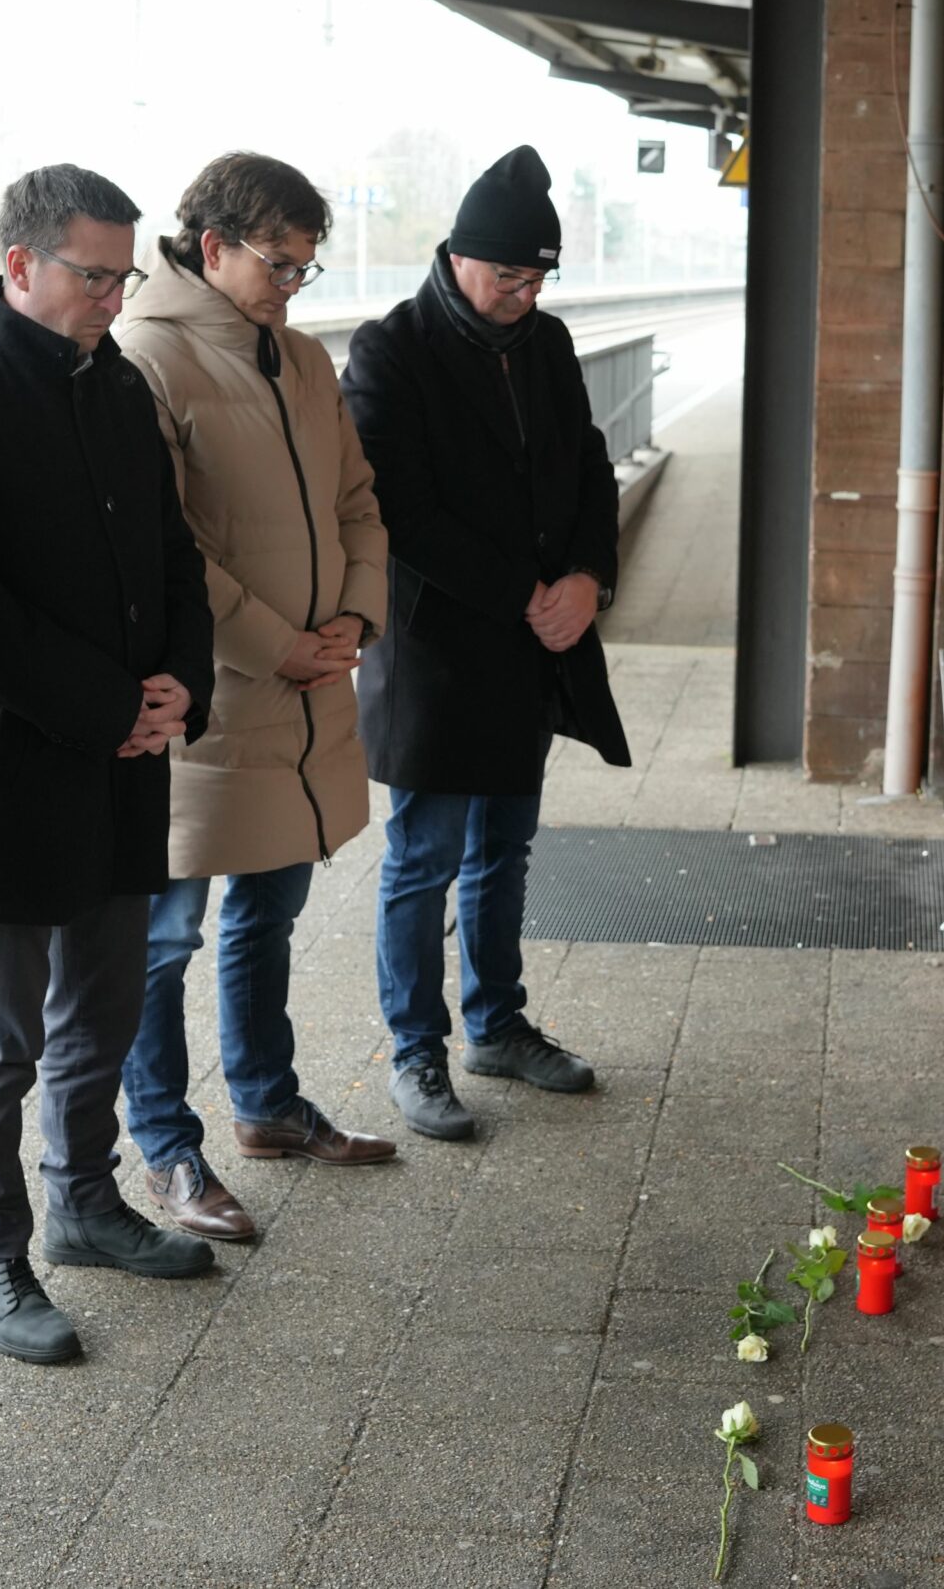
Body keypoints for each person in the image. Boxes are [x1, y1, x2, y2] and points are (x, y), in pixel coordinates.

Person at [0, 165, 219, 1367]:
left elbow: (176, 553)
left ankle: (84, 1206)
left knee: (104, 1010)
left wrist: (181, 684)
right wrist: (109, 706)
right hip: (12, 771)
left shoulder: (113, 382)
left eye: (127, 275)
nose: (115, 298)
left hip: (122, 762)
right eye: (95, 274)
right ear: (20, 264)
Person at [113, 152, 398, 1242]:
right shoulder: (149, 358)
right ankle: (166, 1150)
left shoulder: (305, 357)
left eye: (305, 268)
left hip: (313, 693)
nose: (292, 284)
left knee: (269, 914)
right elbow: (165, 547)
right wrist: (279, 644)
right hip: (219, 703)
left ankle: (268, 1107)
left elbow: (360, 502)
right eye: (280, 263)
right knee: (165, 934)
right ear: (211, 243)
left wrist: (354, 623)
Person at [341, 144, 633, 1142]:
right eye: (508, 274)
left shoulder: (544, 346)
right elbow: (401, 511)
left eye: (539, 277)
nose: (524, 293)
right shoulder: (390, 352)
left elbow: (590, 467)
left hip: (532, 646)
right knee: (422, 857)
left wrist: (589, 580)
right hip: (437, 655)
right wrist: (528, 593)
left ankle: (496, 1024)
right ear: (459, 257)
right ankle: (414, 1050)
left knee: (503, 851)